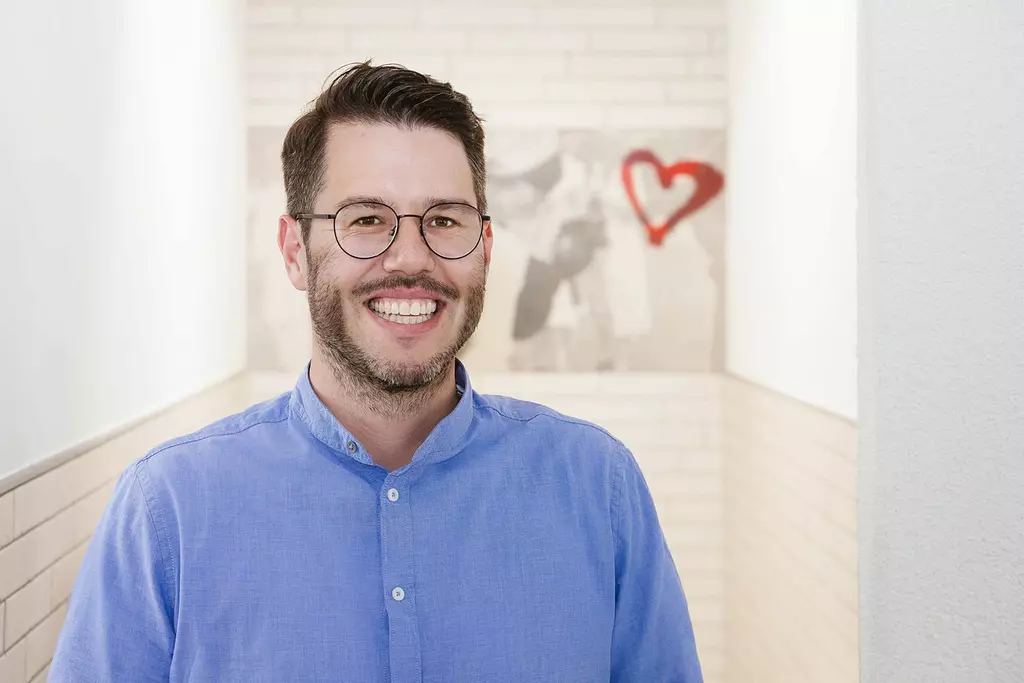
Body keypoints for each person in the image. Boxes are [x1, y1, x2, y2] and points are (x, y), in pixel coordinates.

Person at [49, 62, 704, 682]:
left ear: (485, 248)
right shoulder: (168, 510)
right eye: (366, 220)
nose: (410, 257)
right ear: (294, 251)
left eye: (444, 220)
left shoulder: (597, 488)